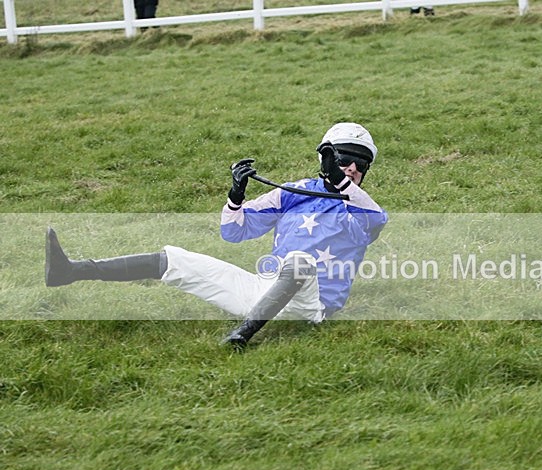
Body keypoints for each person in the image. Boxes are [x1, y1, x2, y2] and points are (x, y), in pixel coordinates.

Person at [45, 122, 388, 349]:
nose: (353, 169)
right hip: (263, 291)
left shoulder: (361, 206)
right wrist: (235, 196)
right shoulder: (292, 192)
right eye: (345, 160)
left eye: (361, 164)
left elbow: (375, 223)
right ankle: (72, 271)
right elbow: (234, 231)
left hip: (311, 307)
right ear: (326, 158)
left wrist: (340, 183)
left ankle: (242, 335)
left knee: (299, 263)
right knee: (174, 259)